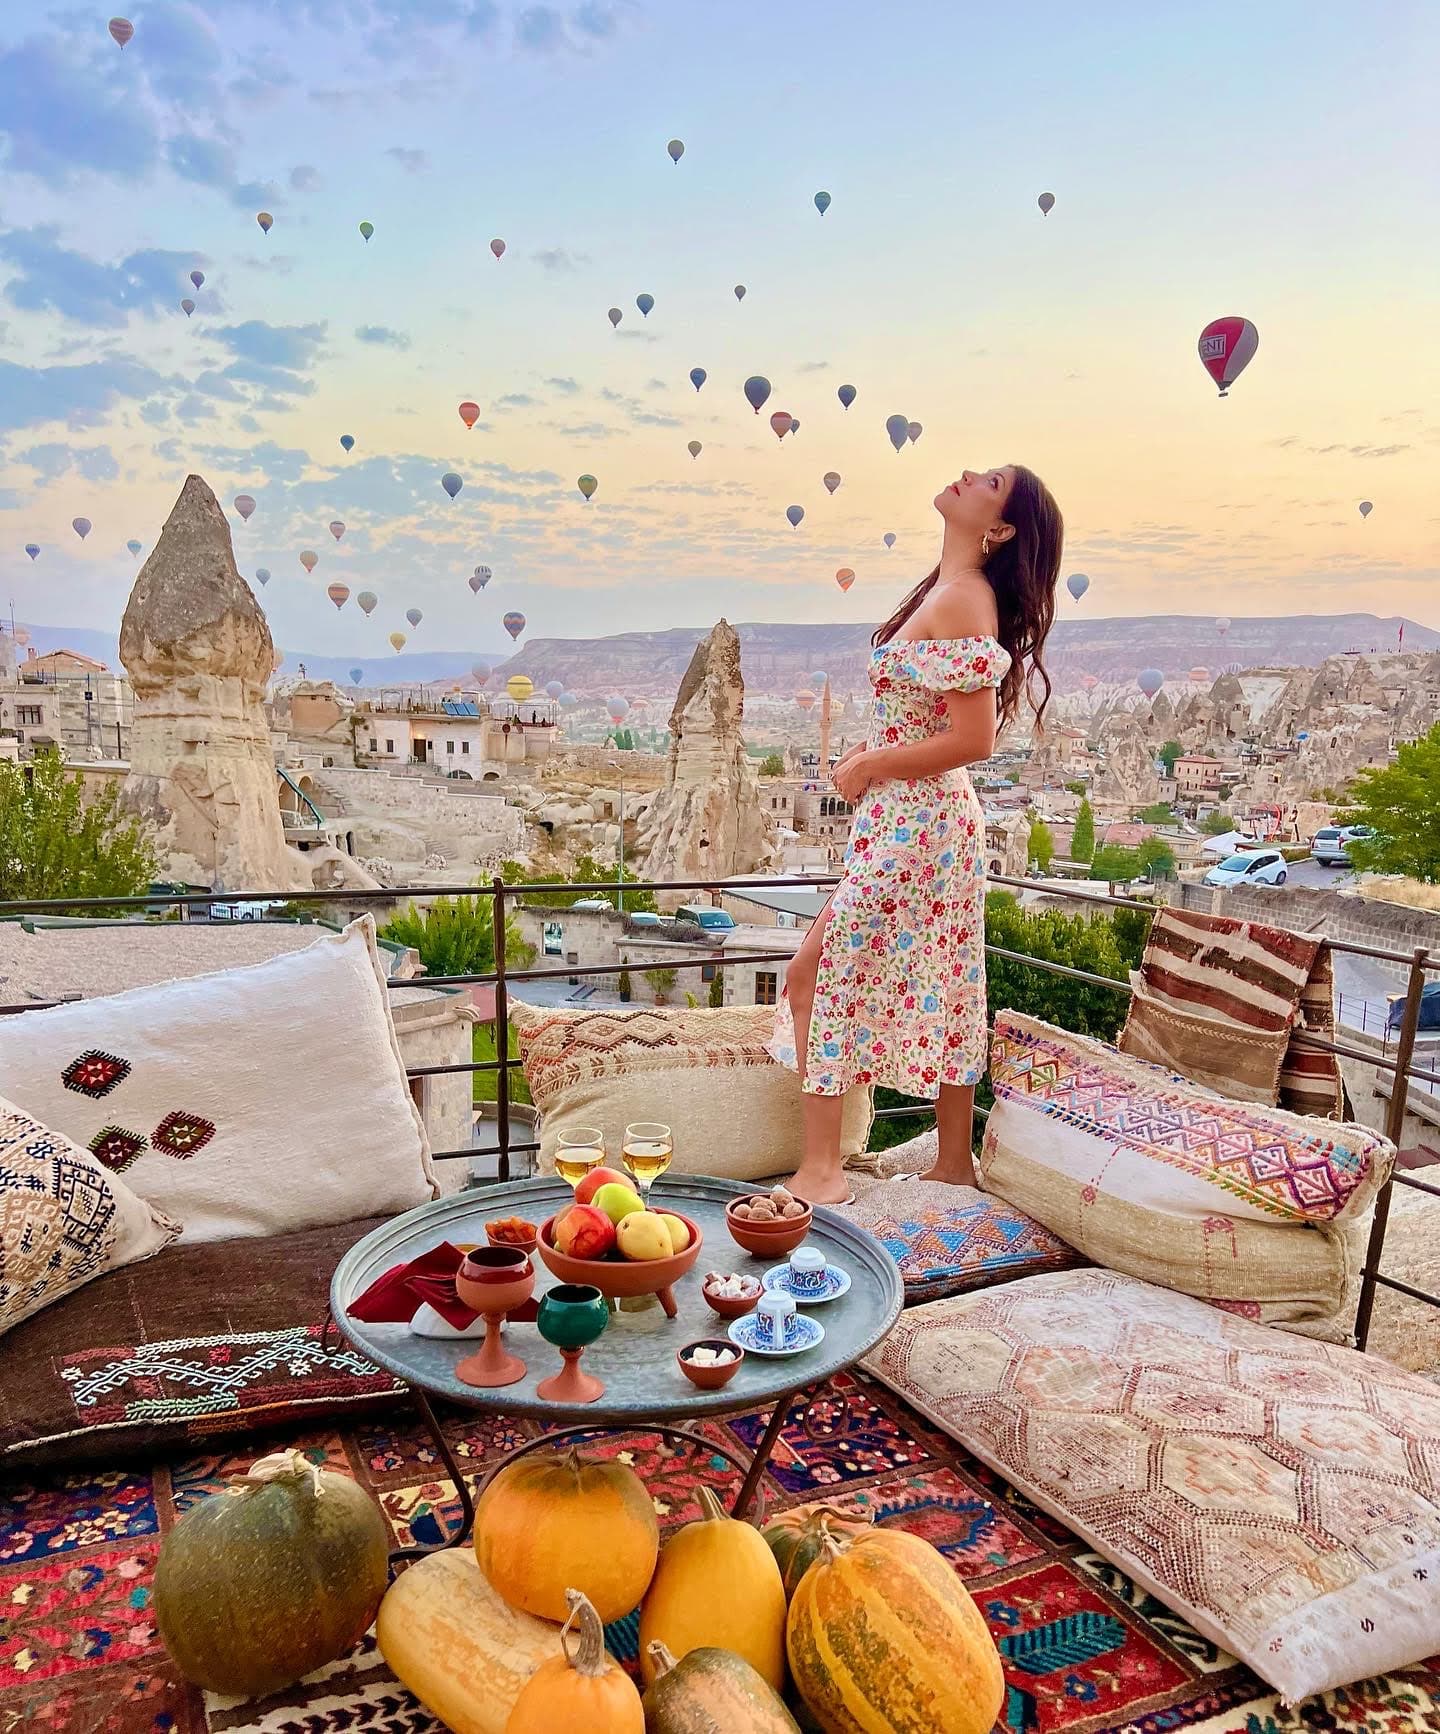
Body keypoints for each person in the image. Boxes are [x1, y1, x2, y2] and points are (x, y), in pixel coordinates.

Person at [769, 465, 1063, 1202]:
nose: (966, 475)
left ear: (999, 530)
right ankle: (953, 1164)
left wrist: (871, 761)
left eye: (988, 482)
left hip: (919, 819)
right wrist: (875, 764)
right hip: (913, 818)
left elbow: (975, 738)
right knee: (941, 976)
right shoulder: (950, 591)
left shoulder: (964, 598)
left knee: (820, 975)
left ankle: (823, 1170)